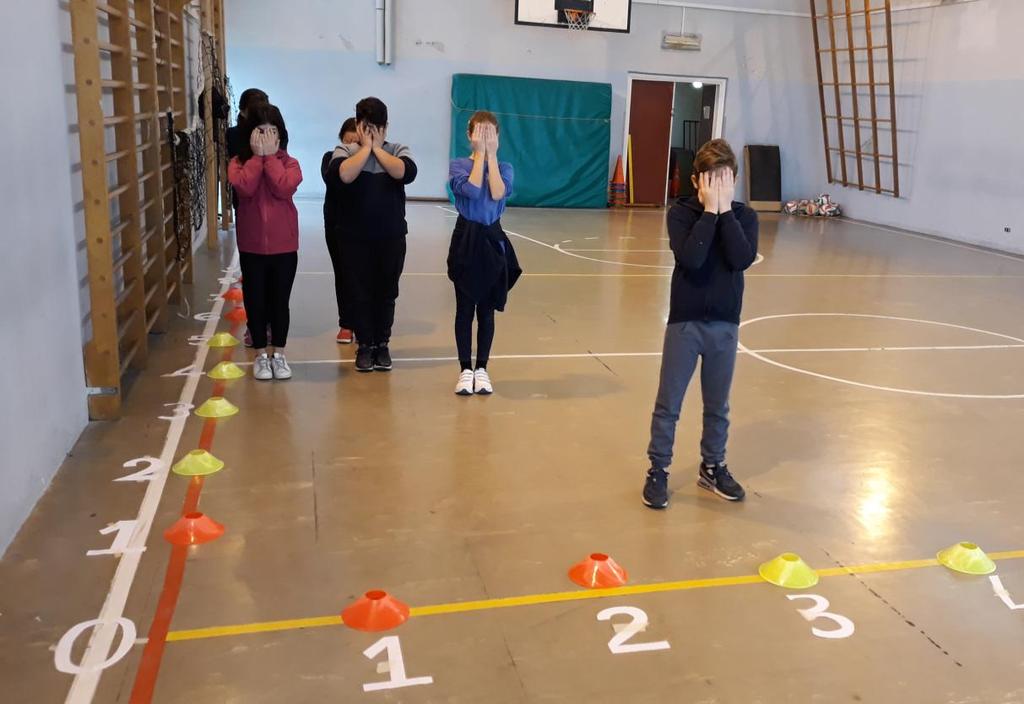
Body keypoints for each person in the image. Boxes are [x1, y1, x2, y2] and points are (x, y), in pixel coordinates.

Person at [641, 139, 759, 508]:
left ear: (735, 180)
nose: (719, 186)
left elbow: (740, 258)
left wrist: (724, 213)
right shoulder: (681, 213)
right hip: (685, 324)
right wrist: (709, 212)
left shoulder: (744, 216)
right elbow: (691, 258)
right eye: (712, 179)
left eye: (726, 179)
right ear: (697, 182)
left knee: (717, 404)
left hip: (725, 324)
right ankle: (658, 469)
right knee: (669, 403)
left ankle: (713, 466)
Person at [324, 97, 418, 373]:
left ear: (386, 127)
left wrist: (377, 148)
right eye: (366, 127)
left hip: (391, 237)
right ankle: (365, 346)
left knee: (387, 293)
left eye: (377, 128)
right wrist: (365, 149)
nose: (373, 132)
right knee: (359, 292)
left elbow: (405, 172)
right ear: (357, 125)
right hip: (353, 239)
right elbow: (342, 175)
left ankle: (382, 344)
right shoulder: (344, 149)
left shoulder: (398, 149)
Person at [227, 103, 303, 381]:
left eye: (273, 131)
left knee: (280, 302)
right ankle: (261, 355)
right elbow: (245, 187)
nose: (267, 137)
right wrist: (258, 159)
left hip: (285, 247)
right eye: (261, 131)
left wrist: (270, 159)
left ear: (280, 135)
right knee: (256, 301)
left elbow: (283, 187)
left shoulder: (290, 163)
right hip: (252, 247)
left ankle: (279, 354)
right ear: (250, 134)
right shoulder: (237, 163)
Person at [447, 111, 521, 396]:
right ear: (470, 135)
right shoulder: (458, 165)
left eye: (492, 133)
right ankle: (465, 369)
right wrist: (479, 155)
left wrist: (490, 157)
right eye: (481, 133)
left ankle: (482, 368)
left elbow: (498, 191)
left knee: (486, 311)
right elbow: (474, 189)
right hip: (466, 239)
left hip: (492, 240)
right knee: (464, 308)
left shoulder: (505, 167)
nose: (487, 138)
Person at [321, 118, 359, 345]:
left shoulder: (370, 160)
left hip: (362, 227)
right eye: (348, 142)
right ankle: (346, 323)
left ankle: (363, 322)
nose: (352, 147)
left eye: (357, 143)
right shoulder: (330, 158)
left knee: (363, 276)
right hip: (336, 226)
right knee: (343, 274)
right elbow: (334, 181)